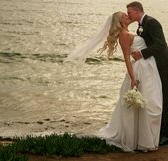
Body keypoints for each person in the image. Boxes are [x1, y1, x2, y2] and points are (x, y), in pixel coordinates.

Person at [67, 11, 162, 152]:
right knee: (142, 106)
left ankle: (146, 140)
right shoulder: (123, 35)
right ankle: (139, 142)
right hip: (139, 71)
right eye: (125, 15)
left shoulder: (131, 31)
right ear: (120, 21)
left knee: (150, 104)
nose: (128, 16)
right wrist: (132, 78)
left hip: (147, 69)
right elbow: (127, 59)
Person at [127, 1, 168, 146]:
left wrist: (142, 54)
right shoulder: (141, 26)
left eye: (129, 12)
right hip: (156, 67)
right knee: (160, 98)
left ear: (137, 11)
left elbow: (161, 44)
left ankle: (167, 136)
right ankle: (159, 133)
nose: (128, 15)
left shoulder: (152, 23)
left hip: (166, 65)